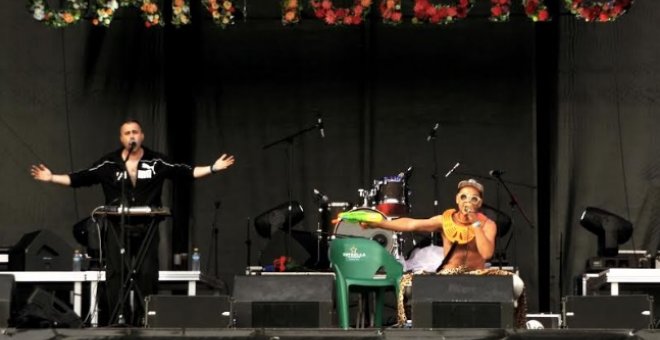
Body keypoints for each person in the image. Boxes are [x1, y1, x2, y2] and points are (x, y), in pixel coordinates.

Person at [30, 119, 235, 326]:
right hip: (117, 227)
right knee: (116, 273)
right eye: (127, 133)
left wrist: (213, 168)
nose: (131, 136)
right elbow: (81, 178)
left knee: (147, 272)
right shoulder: (109, 164)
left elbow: (185, 172)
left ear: (142, 136)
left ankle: (144, 318)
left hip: (148, 226)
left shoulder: (157, 162)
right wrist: (52, 177)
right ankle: (119, 318)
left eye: (135, 132)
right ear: (121, 139)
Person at [361, 178, 526, 326]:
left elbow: (487, 253)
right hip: (449, 274)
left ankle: (514, 330)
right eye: (463, 197)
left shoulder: (488, 225)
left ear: (479, 202)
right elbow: (412, 224)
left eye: (473, 198)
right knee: (406, 283)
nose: (467, 202)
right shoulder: (444, 220)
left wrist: (475, 224)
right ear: (457, 199)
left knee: (517, 284)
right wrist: (379, 224)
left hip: (478, 273)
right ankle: (411, 328)